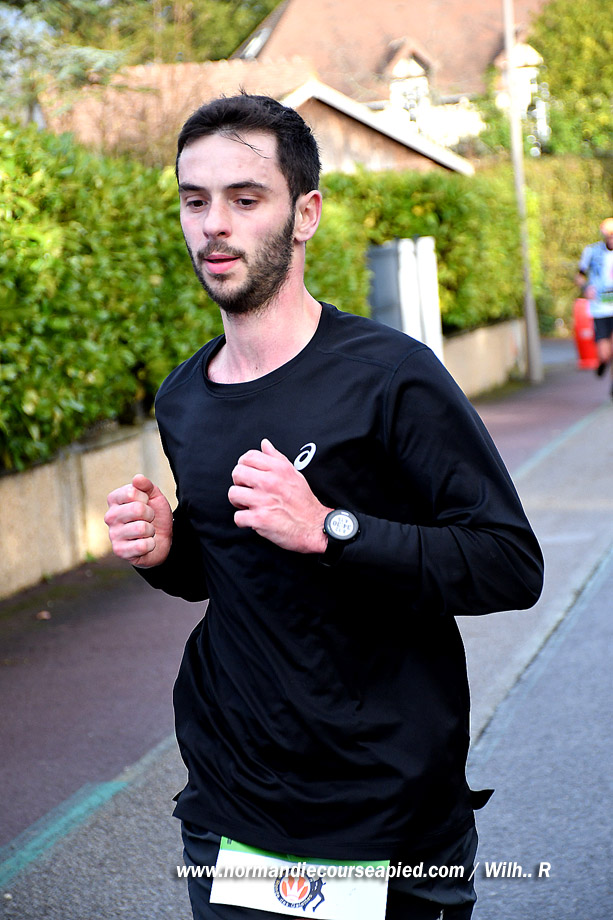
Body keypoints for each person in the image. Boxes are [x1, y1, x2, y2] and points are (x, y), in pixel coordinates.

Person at [104, 93, 543, 920]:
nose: (213, 226)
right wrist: (167, 553)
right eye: (194, 201)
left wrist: (331, 529)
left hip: (385, 812)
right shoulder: (184, 397)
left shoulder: (390, 377)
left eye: (245, 199)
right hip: (233, 806)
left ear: (305, 214)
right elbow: (226, 570)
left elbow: (508, 563)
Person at [575, 217, 613, 391]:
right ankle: (603, 362)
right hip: (600, 308)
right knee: (605, 352)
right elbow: (579, 275)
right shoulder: (592, 251)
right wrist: (585, 288)